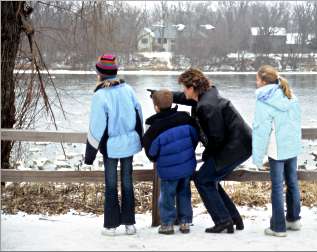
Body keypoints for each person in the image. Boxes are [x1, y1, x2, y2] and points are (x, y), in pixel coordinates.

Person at [152, 68, 252, 233]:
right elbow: (185, 99)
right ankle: (233, 218)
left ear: (192, 88)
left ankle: (223, 220)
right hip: (241, 143)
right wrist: (164, 94)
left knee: (203, 179)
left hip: (235, 147)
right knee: (209, 178)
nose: (183, 91)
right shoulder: (207, 94)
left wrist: (207, 155)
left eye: (185, 88)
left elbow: (216, 138)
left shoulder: (207, 106)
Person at [84, 54, 143, 236]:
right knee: (127, 182)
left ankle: (110, 226)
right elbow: (139, 115)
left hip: (111, 147)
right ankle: (130, 224)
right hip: (129, 145)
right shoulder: (129, 90)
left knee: (111, 184)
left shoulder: (100, 95)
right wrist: (141, 139)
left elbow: (96, 127)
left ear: (100, 74)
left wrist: (90, 155)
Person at [252, 65, 302, 237]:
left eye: (257, 79)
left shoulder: (263, 100)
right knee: (292, 183)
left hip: (276, 149)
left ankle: (278, 227)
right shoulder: (290, 95)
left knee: (277, 188)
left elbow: (260, 130)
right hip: (291, 146)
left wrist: (257, 158)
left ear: (264, 81)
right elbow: (296, 122)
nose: (256, 82)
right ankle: (294, 220)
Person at [142, 89, 199, 235]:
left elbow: (151, 153)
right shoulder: (186, 118)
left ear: (156, 107)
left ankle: (167, 224)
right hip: (187, 166)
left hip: (168, 170)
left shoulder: (154, 129)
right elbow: (195, 137)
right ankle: (185, 222)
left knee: (167, 196)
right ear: (172, 102)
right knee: (184, 193)